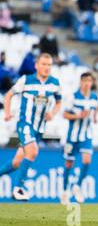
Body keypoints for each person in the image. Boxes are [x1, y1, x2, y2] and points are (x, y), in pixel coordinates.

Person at [0, 53, 62, 201]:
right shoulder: (26, 80)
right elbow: (9, 95)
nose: (46, 68)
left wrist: (52, 113)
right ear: (37, 65)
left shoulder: (54, 83)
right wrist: (8, 113)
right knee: (33, 151)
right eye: (43, 64)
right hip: (25, 124)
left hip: (39, 128)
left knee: (16, 163)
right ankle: (18, 189)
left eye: (49, 65)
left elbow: (59, 102)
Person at [60, 72, 98, 205]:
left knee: (87, 160)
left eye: (90, 81)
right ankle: (65, 192)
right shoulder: (73, 97)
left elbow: (95, 111)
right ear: (81, 82)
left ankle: (77, 186)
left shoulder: (94, 97)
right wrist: (78, 116)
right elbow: (64, 114)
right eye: (85, 81)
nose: (88, 83)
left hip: (86, 135)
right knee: (69, 164)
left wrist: (94, 117)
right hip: (72, 136)